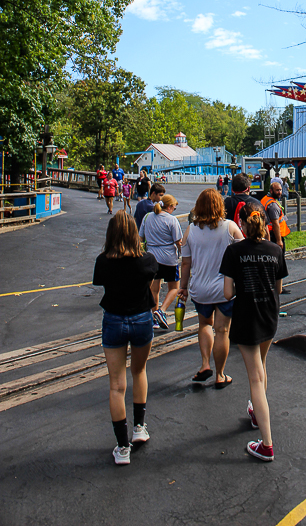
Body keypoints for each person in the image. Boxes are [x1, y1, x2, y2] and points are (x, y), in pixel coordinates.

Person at [220, 201, 288, 462]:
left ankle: (267, 444)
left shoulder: (234, 252)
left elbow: (228, 293)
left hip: (247, 316)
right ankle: (257, 414)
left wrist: (241, 287)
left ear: (243, 224)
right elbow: (279, 288)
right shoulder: (275, 249)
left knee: (255, 378)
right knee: (262, 366)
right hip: (269, 315)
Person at [92, 211, 158, 465]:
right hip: (141, 318)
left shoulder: (104, 261)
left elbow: (100, 283)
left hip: (114, 320)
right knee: (139, 372)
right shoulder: (147, 260)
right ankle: (139, 427)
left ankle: (122, 448)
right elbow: (154, 278)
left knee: (116, 385)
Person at [178, 189, 243, 387]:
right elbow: (243, 253)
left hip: (200, 288)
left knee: (205, 324)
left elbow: (186, 263)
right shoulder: (230, 227)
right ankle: (220, 375)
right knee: (222, 331)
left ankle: (205, 364)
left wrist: (183, 287)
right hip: (225, 289)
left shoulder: (190, 230)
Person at [139, 194, 182, 330]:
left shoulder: (147, 217)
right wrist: (183, 255)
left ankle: (154, 317)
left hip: (151, 256)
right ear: (169, 207)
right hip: (168, 257)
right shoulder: (171, 220)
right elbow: (178, 241)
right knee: (174, 288)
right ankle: (161, 310)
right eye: (174, 208)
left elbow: (141, 237)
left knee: (154, 289)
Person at [261, 178, 291, 294]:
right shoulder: (272, 205)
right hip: (274, 235)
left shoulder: (266, 199)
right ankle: (277, 287)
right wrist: (279, 240)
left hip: (268, 234)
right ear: (271, 190)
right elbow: (275, 224)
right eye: (277, 190)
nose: (280, 192)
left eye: (280, 190)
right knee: (278, 261)